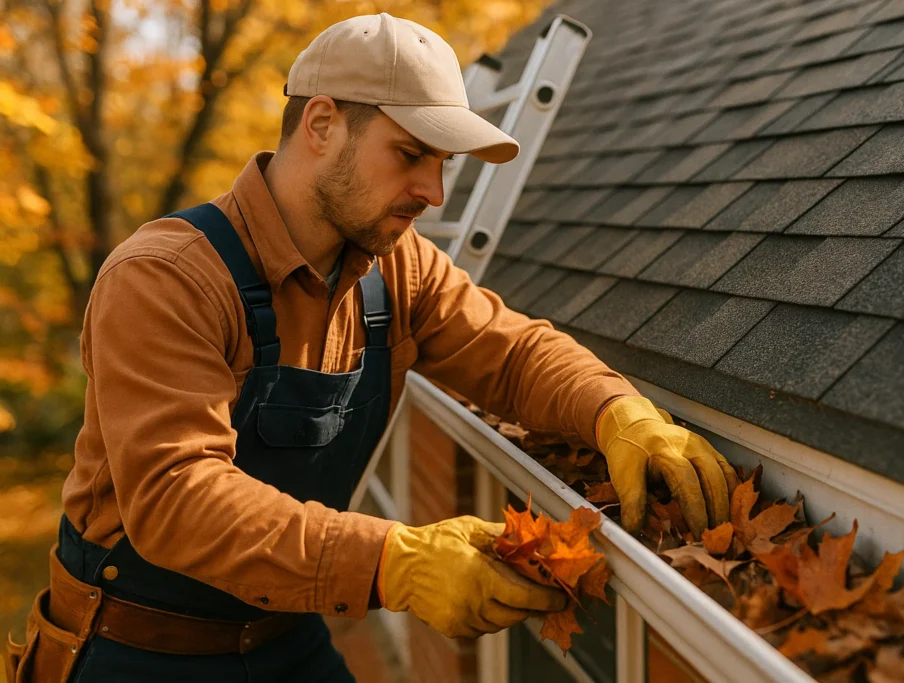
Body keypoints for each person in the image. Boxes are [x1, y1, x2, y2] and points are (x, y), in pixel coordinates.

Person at [2, 12, 738, 683]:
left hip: (288, 634)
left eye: (442, 162)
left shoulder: (395, 265)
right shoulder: (166, 278)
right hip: (139, 652)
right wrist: (397, 562)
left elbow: (512, 353)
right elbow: (176, 499)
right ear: (321, 123)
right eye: (411, 153)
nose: (435, 191)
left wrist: (618, 412)